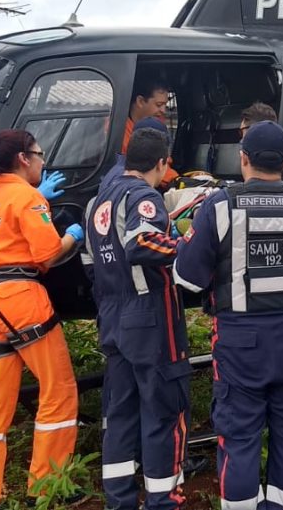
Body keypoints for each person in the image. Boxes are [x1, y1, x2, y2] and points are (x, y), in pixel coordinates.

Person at [173, 121, 283, 510]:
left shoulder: (219, 207)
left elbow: (187, 276)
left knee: (238, 436)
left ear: (243, 159)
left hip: (239, 343)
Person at [0, 129, 85, 510]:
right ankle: (47, 489)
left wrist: (38, 201)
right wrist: (74, 236)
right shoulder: (27, 197)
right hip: (21, 300)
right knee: (58, 390)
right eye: (39, 154)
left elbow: (1, 231)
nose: (42, 160)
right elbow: (47, 253)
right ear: (22, 158)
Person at [86, 127, 191, 510]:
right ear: (162, 163)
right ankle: (162, 499)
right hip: (149, 315)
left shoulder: (100, 199)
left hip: (112, 314)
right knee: (164, 407)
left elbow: (90, 260)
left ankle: (120, 500)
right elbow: (141, 241)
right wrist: (187, 245)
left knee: (121, 413)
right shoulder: (144, 196)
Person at [123, 80, 178, 188]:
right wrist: (178, 181)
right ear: (140, 101)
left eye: (165, 105)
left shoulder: (157, 125)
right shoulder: (121, 133)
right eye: (158, 105)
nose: (163, 110)